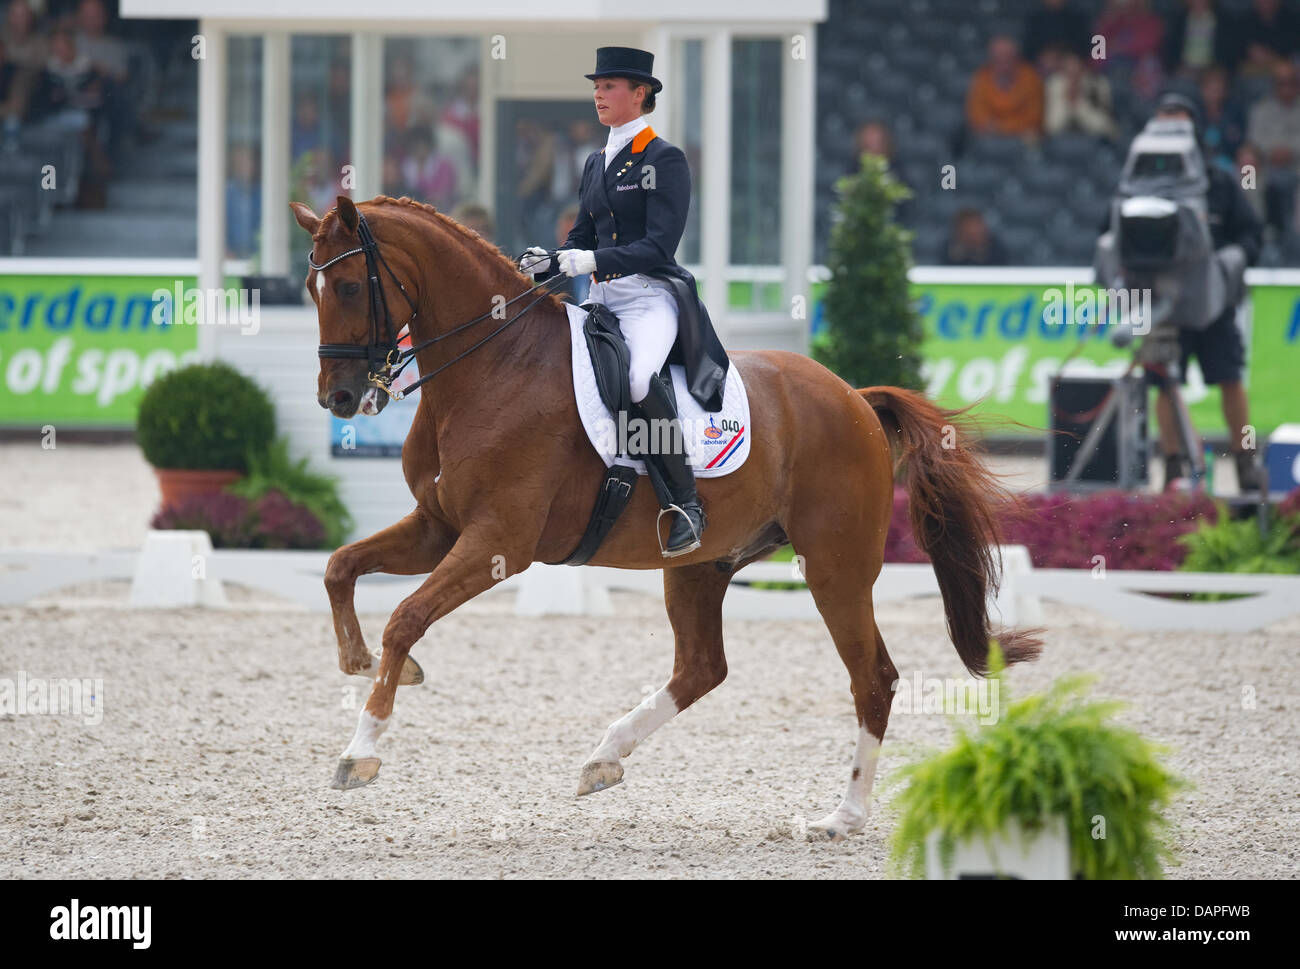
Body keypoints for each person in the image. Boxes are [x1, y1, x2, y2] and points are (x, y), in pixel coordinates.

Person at [518, 46, 729, 556]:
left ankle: (686, 503)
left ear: (640, 94)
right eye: (597, 85)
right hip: (602, 301)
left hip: (651, 297)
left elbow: (659, 245)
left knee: (637, 378)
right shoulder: (597, 162)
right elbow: (582, 234)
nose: (599, 93)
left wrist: (591, 262)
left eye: (610, 86)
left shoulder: (664, 159)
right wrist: (551, 260)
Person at [1144, 93, 1264, 491]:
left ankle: (1245, 461)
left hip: (1213, 302)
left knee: (1230, 377)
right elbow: (1111, 234)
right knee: (1164, 385)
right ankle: (1174, 466)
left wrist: (1231, 261)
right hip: (1164, 304)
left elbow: (1251, 234)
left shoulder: (1220, 181)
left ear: (1194, 130)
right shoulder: (1140, 182)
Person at [965, 35, 1044, 142]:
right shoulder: (981, 78)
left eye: (1007, 57)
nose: (1002, 61)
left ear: (1016, 57)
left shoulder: (1031, 78)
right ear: (991, 58)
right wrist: (995, 128)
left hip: (1021, 136)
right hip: (989, 135)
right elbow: (976, 115)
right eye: (998, 57)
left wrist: (1003, 127)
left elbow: (1034, 117)